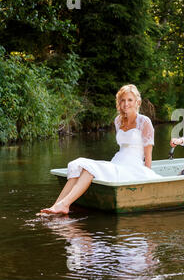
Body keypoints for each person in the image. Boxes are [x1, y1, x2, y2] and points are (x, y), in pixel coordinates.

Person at [40, 84, 162, 215]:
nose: (126, 103)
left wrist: (148, 175)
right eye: (123, 100)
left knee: (89, 169)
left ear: (137, 102)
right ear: (119, 102)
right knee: (80, 165)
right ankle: (56, 205)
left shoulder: (144, 122)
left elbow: (148, 154)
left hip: (133, 167)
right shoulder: (118, 120)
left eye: (130, 100)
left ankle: (65, 205)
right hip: (117, 162)